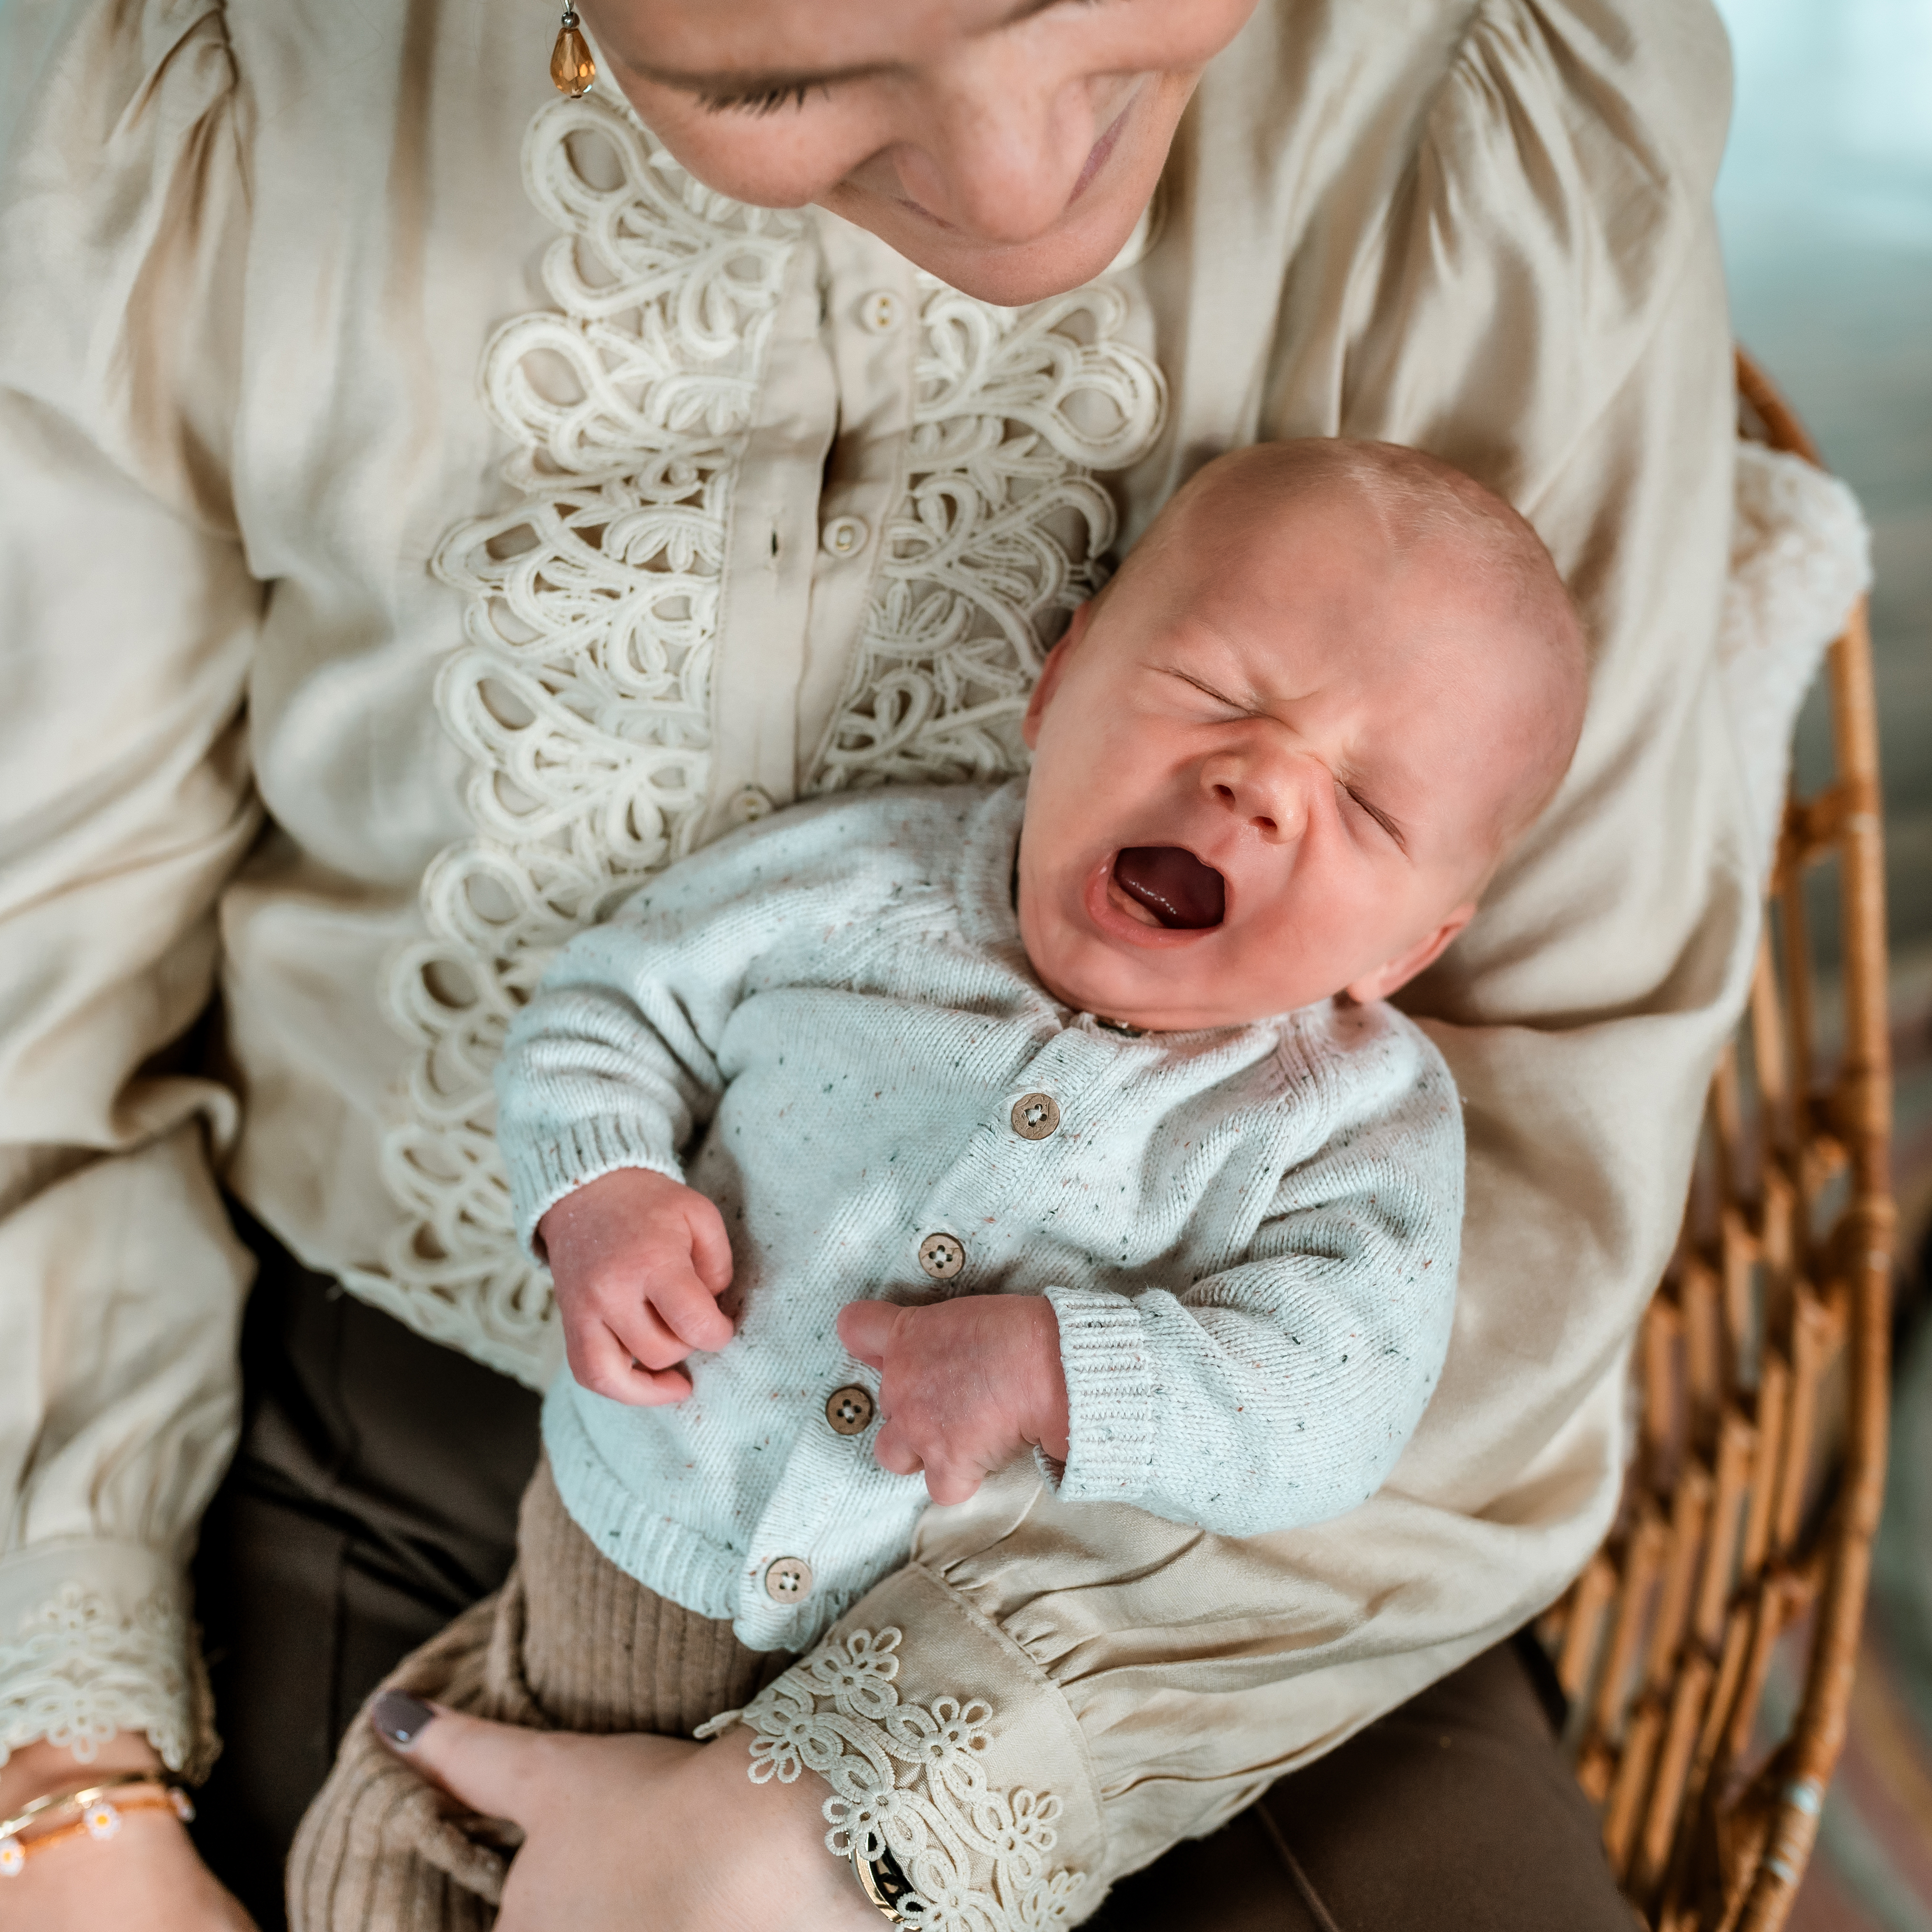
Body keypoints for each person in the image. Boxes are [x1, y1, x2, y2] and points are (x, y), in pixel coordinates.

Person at [0, 2, 1748, 1930]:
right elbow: (42, 987)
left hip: (1198, 1606)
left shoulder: (1488, 107)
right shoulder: (206, 94)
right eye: (769, 81)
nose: (1029, 199)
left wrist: (866, 1803)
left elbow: (1515, 1209)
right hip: (385, 1431)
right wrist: (68, 1791)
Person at [290, 438, 1591, 1927]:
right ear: (1059, 683)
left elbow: (1337, 1399)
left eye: (1366, 807)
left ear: (1409, 948)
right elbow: (612, 1007)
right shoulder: (855, 884)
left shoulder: (1347, 1124)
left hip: (896, 1764)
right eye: (1222, 695)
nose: (1262, 788)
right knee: (376, 1850)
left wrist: (1065, 1369)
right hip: (585, 1611)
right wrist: (602, 1192)